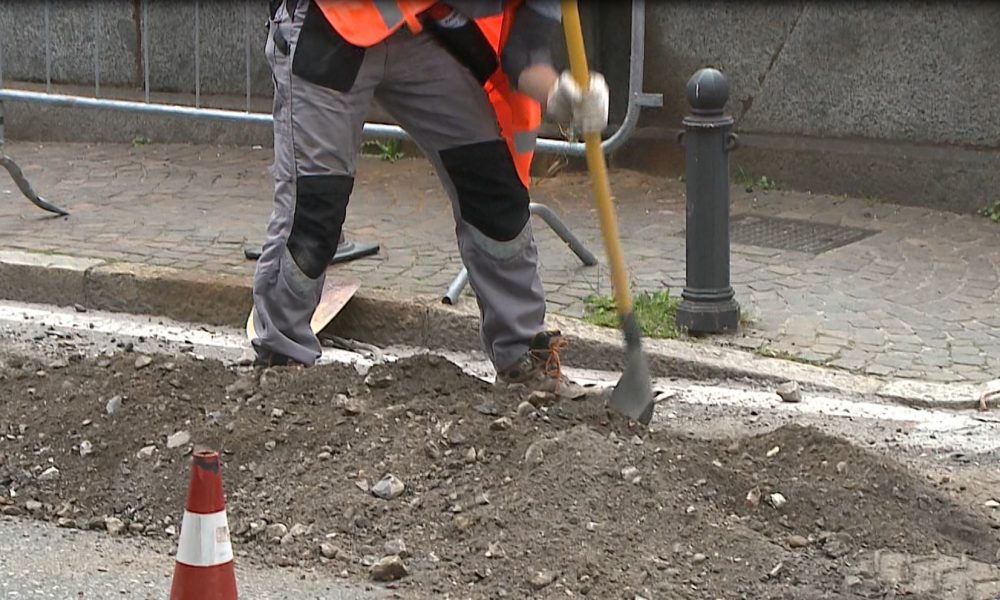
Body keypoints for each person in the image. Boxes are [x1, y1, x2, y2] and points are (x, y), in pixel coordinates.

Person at [251, 0, 609, 397]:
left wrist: (560, 94)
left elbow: (524, 52)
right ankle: (282, 363)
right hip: (334, 22)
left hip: (422, 33)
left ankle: (522, 357)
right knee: (315, 209)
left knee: (492, 186)